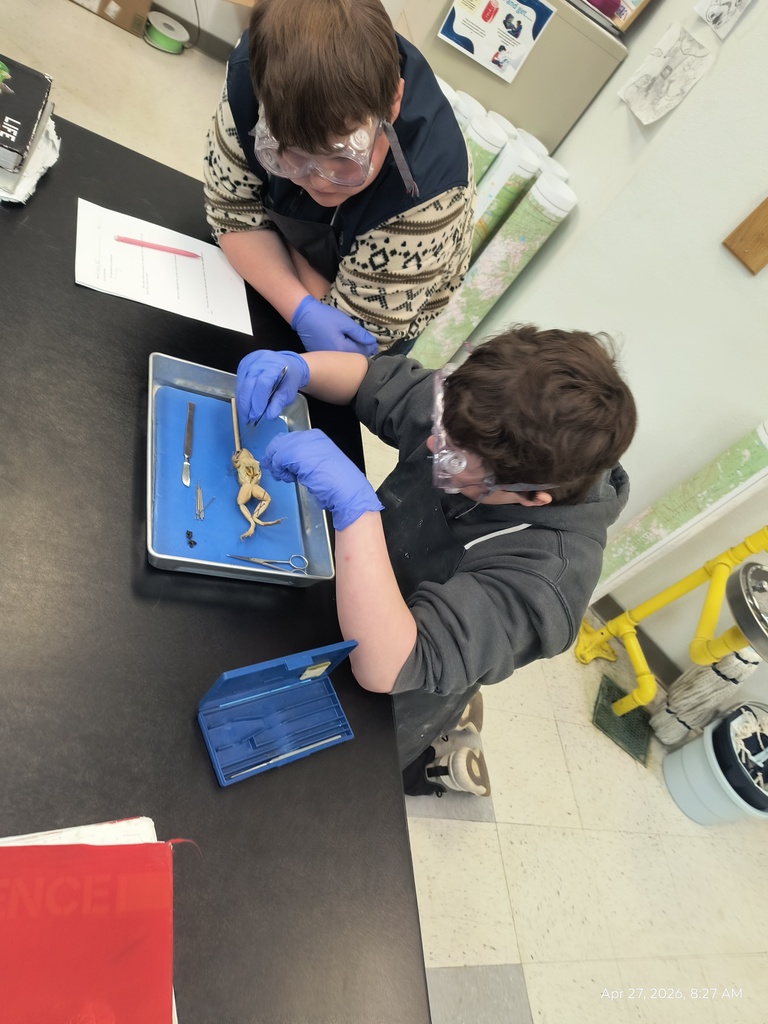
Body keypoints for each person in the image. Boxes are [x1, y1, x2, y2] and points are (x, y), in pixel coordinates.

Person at [235, 325, 637, 796]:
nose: (432, 444)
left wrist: (355, 509)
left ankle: (438, 761)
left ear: (531, 499)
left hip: (400, 680)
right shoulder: (481, 415)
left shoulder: (549, 579)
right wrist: (300, 367)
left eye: (452, 457)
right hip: (350, 589)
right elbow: (371, 379)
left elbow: (390, 665)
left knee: (341, 778)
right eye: (444, 427)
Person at [204, 0, 475, 357]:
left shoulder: (428, 195)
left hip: (381, 301)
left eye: (341, 158)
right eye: (290, 153)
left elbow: (349, 344)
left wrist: (271, 240)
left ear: (392, 105)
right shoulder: (257, 76)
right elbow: (230, 211)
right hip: (306, 278)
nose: (319, 180)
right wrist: (301, 306)